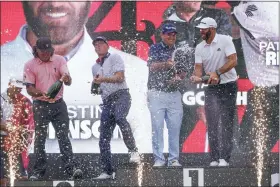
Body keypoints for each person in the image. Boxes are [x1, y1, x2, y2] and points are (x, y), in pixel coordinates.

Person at [1, 2, 151, 154]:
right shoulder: (7, 64)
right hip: (19, 169)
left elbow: (146, 157)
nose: (55, 3)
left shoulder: (137, 71)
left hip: (101, 169)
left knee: (65, 139)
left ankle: (70, 166)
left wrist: (66, 81)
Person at [155, 1, 233, 152]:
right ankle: (171, 172)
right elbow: (170, 66)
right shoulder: (164, 28)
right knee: (172, 144)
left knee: (231, 144)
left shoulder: (217, 17)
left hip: (215, 89)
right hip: (183, 95)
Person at [23, 37, 82, 180]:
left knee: (63, 137)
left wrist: (67, 78)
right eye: (42, 51)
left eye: (47, 51)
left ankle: (71, 169)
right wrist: (40, 93)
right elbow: (30, 89)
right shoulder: (29, 65)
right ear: (36, 50)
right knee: (40, 139)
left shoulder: (60, 60)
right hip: (40, 105)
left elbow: (67, 78)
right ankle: (38, 171)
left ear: (51, 50)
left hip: (58, 104)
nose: (44, 53)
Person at [230, 1, 279, 153]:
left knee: (248, 150)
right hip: (265, 91)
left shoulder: (256, 10)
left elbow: (239, 17)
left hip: (268, 91)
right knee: (248, 149)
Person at [191, 17, 238, 166]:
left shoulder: (225, 40)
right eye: (200, 29)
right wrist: (196, 77)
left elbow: (233, 60)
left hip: (229, 85)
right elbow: (198, 68)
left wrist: (217, 72)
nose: (201, 31)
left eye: (203, 29)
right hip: (212, 87)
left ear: (212, 28)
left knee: (226, 122)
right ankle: (214, 158)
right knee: (212, 122)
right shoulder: (199, 47)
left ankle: (225, 158)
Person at [92, 36, 140, 180]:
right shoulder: (94, 67)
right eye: (95, 44)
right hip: (107, 101)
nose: (98, 46)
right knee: (103, 138)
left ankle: (133, 151)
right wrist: (96, 88)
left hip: (121, 95)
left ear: (107, 46)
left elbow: (119, 78)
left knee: (120, 118)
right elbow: (100, 87)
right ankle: (107, 171)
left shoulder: (115, 57)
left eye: (101, 43)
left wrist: (102, 80)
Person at [147, 23, 186, 167]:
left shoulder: (179, 50)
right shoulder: (155, 48)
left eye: (174, 34)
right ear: (162, 35)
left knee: (175, 128)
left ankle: (174, 158)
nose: (171, 36)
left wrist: (179, 77)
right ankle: (158, 158)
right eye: (169, 34)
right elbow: (151, 66)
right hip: (156, 93)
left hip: (174, 93)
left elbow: (182, 72)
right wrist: (166, 64)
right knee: (157, 127)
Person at [0, 77, 34, 180]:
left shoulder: (24, 101)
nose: (18, 91)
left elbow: (30, 122)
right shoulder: (1, 99)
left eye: (20, 89)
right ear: (10, 85)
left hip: (15, 138)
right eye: (16, 88)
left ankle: (21, 173)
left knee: (22, 177)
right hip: (2, 136)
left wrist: (25, 132)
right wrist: (12, 128)